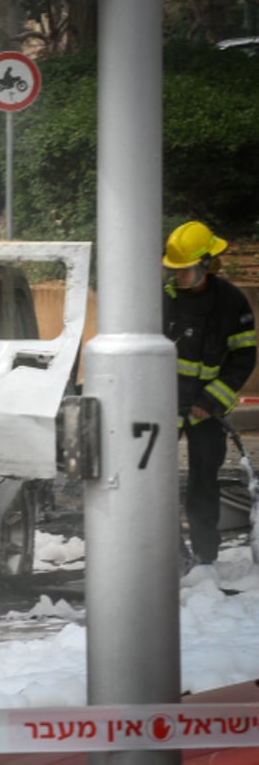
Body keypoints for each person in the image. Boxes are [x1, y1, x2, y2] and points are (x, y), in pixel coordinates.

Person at [163, 221, 257, 567]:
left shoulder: (231, 303)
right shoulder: (164, 301)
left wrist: (210, 401)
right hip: (164, 407)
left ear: (206, 264)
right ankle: (169, 550)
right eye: (173, 270)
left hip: (206, 411)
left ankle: (205, 556)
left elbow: (243, 357)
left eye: (184, 270)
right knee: (156, 481)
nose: (177, 277)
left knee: (204, 482)